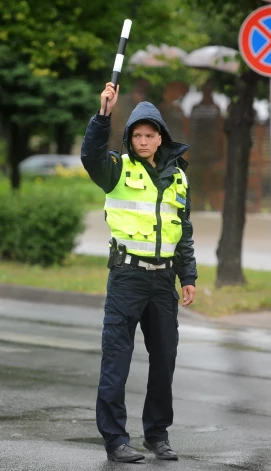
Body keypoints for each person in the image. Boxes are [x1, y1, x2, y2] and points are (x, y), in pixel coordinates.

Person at [81, 82, 198, 463]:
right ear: (130, 138)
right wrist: (104, 114)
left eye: (150, 135)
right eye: (137, 135)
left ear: (160, 138)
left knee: (165, 359)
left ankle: (157, 434)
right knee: (117, 359)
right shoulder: (116, 168)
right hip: (127, 277)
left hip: (164, 281)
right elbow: (90, 155)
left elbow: (184, 231)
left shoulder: (177, 177)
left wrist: (189, 276)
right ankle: (115, 439)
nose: (144, 141)